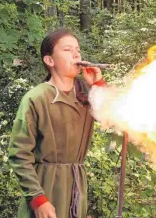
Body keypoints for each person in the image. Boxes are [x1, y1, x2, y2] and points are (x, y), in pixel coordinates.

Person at [9, 29, 108, 218]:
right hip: (45, 186)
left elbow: (114, 120)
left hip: (76, 186)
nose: (76, 54)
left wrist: (98, 85)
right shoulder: (36, 98)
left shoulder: (88, 96)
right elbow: (19, 155)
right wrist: (38, 199)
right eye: (67, 49)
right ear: (50, 60)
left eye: (78, 49)